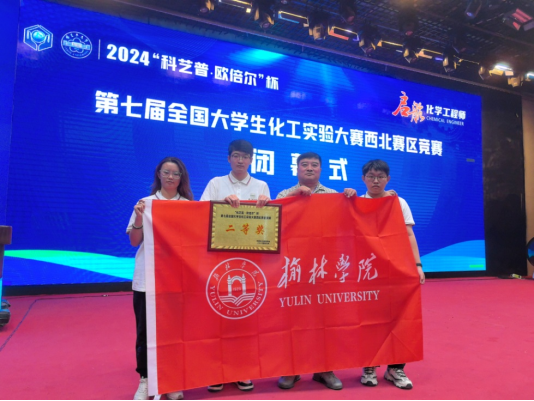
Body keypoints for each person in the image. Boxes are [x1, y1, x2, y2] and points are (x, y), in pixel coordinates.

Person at [275, 152, 357, 392]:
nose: (309, 168)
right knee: (293, 319)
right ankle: (292, 369)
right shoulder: (284, 194)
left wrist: (352, 198)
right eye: (304, 164)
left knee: (325, 320)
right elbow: (273, 220)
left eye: (314, 165)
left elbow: (347, 224)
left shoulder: (333, 195)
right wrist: (295, 194)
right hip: (294, 267)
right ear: (296, 168)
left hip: (325, 267)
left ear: (321, 169)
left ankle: (324, 370)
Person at [200, 139, 270, 393]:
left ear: (252, 160)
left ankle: (242, 369)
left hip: (250, 263)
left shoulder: (261, 186)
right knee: (217, 318)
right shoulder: (216, 183)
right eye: (236, 156)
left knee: (246, 318)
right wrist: (219, 204)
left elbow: (269, 225)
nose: (241, 160)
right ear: (228, 158)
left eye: (245, 156)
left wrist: (266, 208)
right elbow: (199, 215)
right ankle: (216, 371)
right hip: (219, 261)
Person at [128, 157, 194, 401]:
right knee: (145, 333)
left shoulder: (188, 206)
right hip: (147, 278)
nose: (170, 177)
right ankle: (146, 380)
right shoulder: (145, 203)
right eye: (166, 172)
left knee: (174, 332)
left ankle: (171, 380)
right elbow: (134, 241)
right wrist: (138, 218)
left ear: (181, 177)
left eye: (175, 173)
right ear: (158, 174)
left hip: (176, 280)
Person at [358, 159, 425, 391]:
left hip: (396, 268)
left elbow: (409, 234)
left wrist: (417, 265)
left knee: (400, 316)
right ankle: (369, 365)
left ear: (388, 179)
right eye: (371, 176)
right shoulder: (356, 203)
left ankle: (395, 368)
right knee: (369, 319)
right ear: (363, 179)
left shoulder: (399, 202)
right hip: (366, 271)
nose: (375, 181)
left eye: (380, 177)